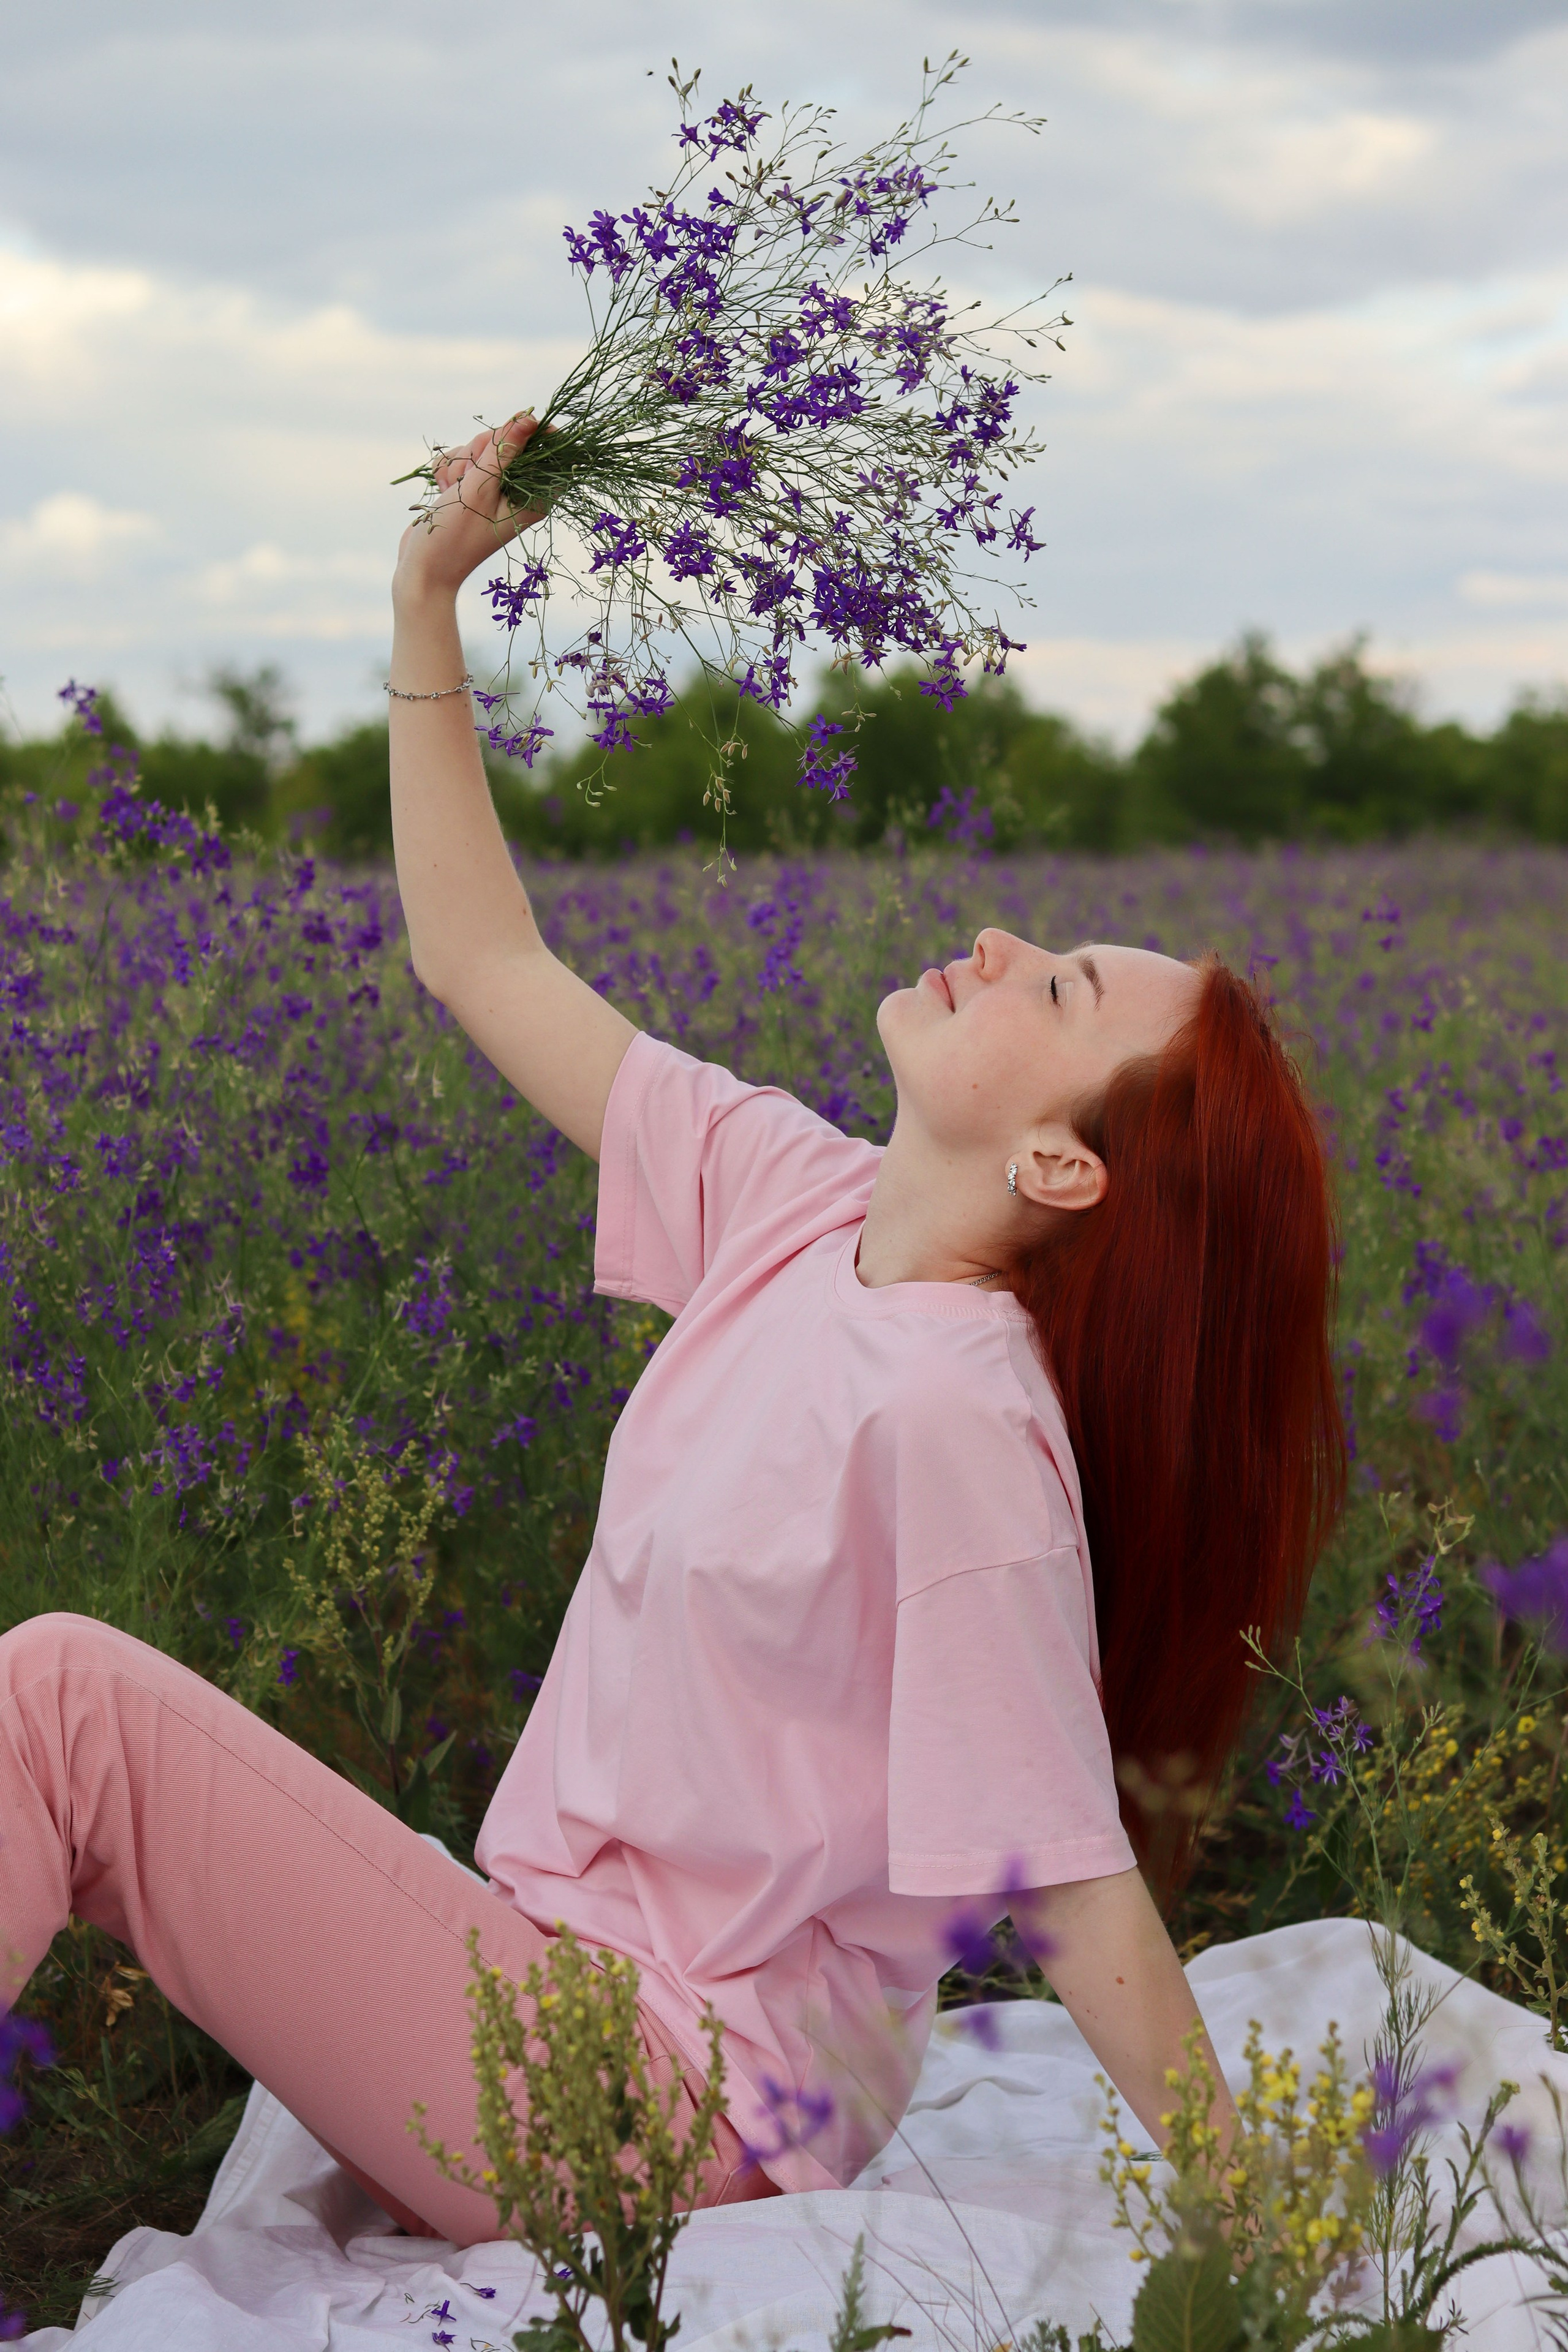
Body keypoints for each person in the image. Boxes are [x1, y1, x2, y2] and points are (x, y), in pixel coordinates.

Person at [0, 416, 1344, 2244]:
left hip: (656, 2095)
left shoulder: (960, 1417)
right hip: (542, 1982)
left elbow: (1065, 1874)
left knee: (62, 1700)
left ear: (1062, 1162)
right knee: (66, 1710)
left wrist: (1275, 2232)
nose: (1005, 934)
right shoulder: (791, 1198)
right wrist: (425, 603)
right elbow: (488, 965)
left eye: (1062, 986)